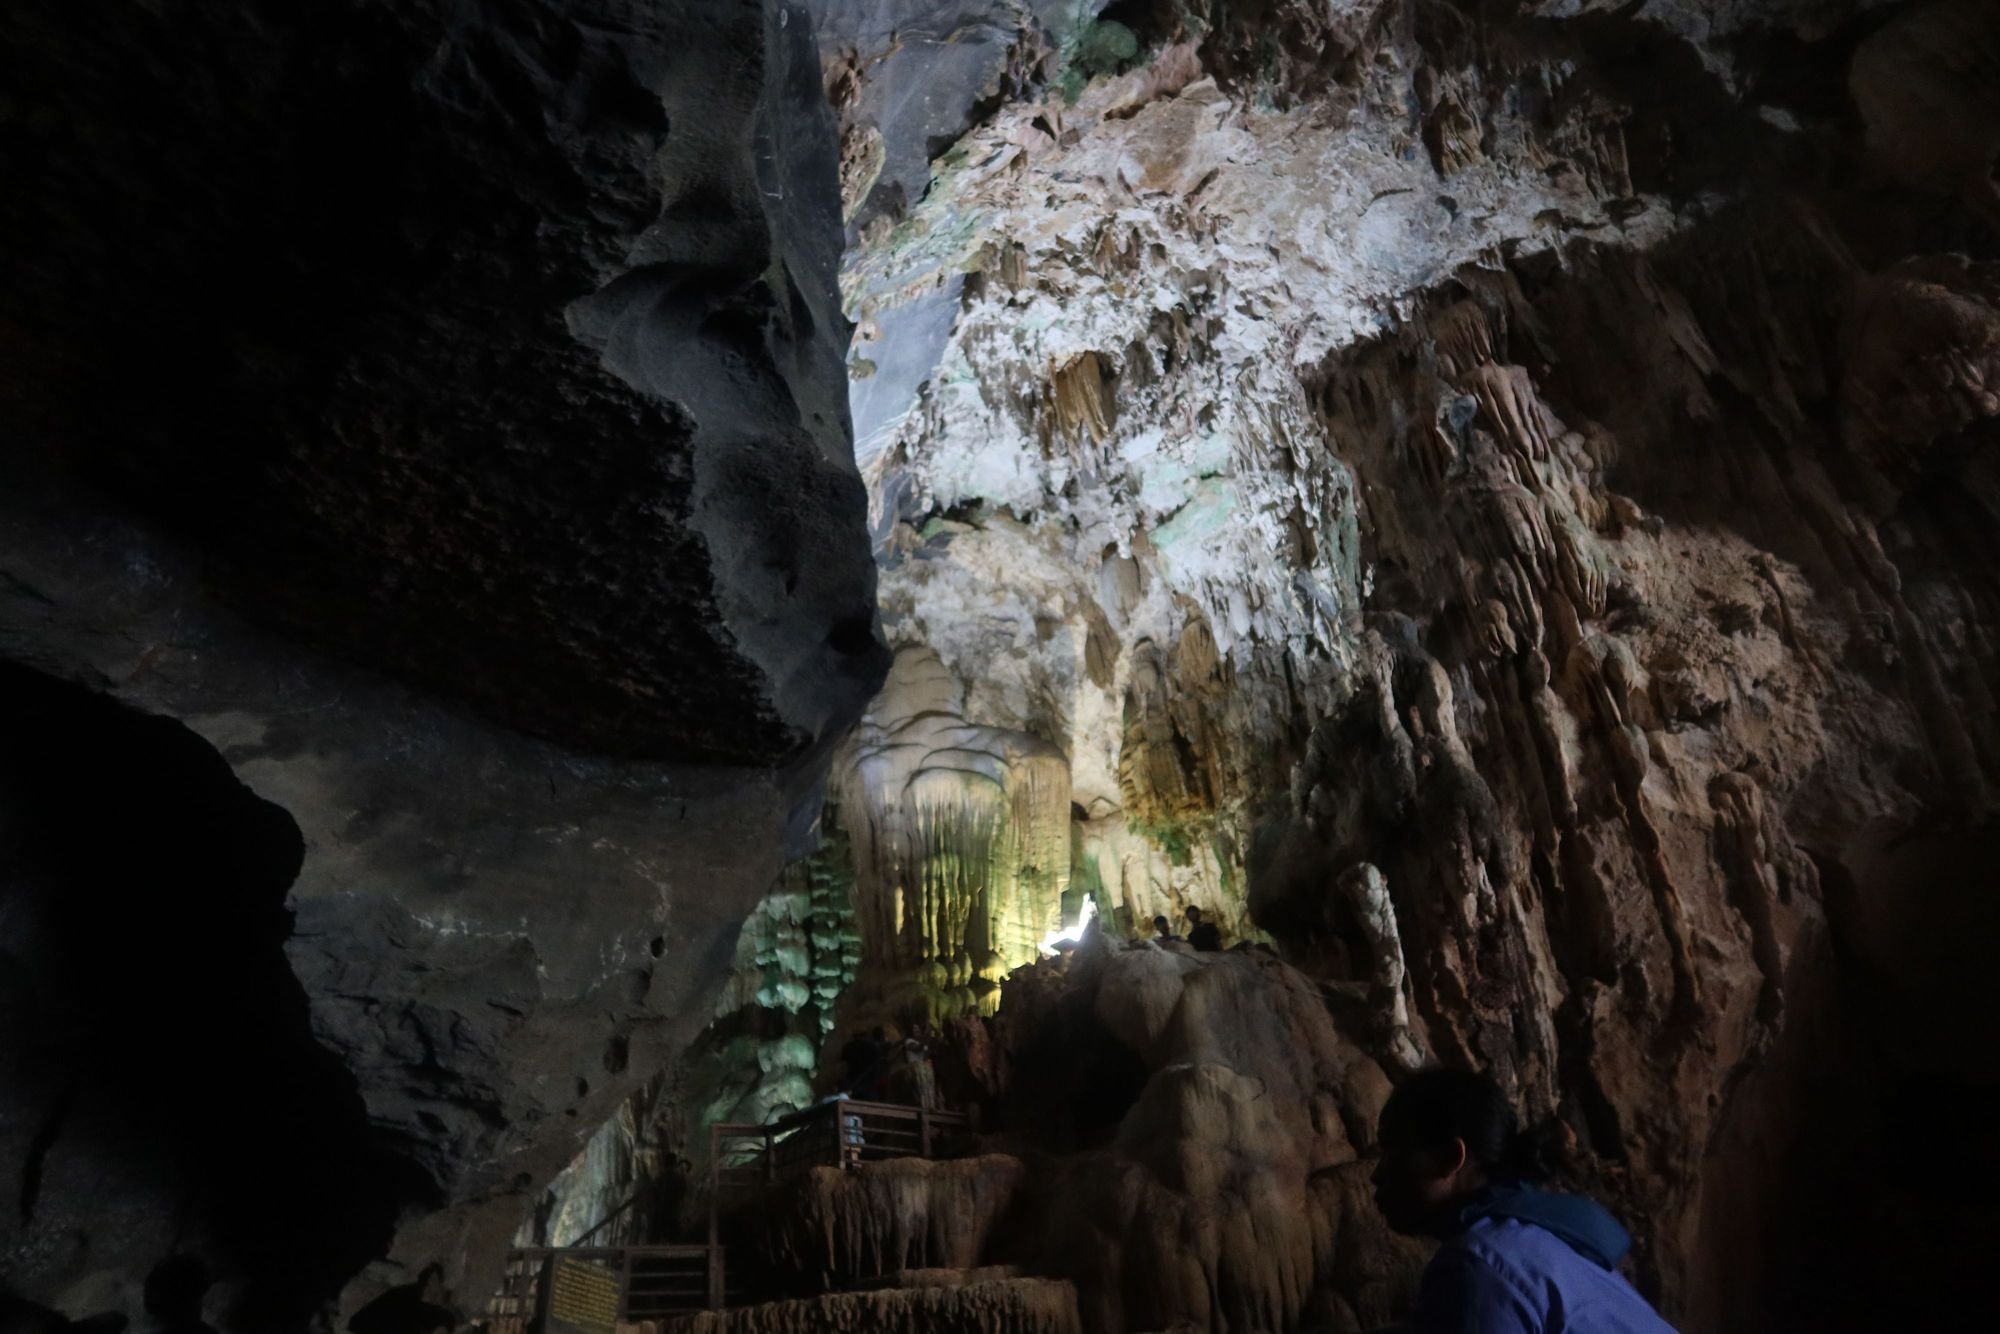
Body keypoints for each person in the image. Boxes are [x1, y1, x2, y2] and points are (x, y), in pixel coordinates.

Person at [1370, 1069, 1675, 1332]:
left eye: (1391, 1152)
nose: (1376, 1175)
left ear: (1451, 1157)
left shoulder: (1478, 1267)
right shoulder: (1542, 1231)